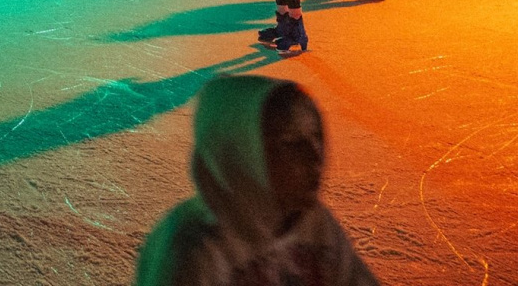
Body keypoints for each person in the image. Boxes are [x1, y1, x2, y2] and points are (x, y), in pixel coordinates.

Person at [133, 75, 379, 286]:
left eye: (316, 137)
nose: (315, 156)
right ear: (240, 156)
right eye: (291, 143)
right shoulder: (194, 252)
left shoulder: (316, 225)